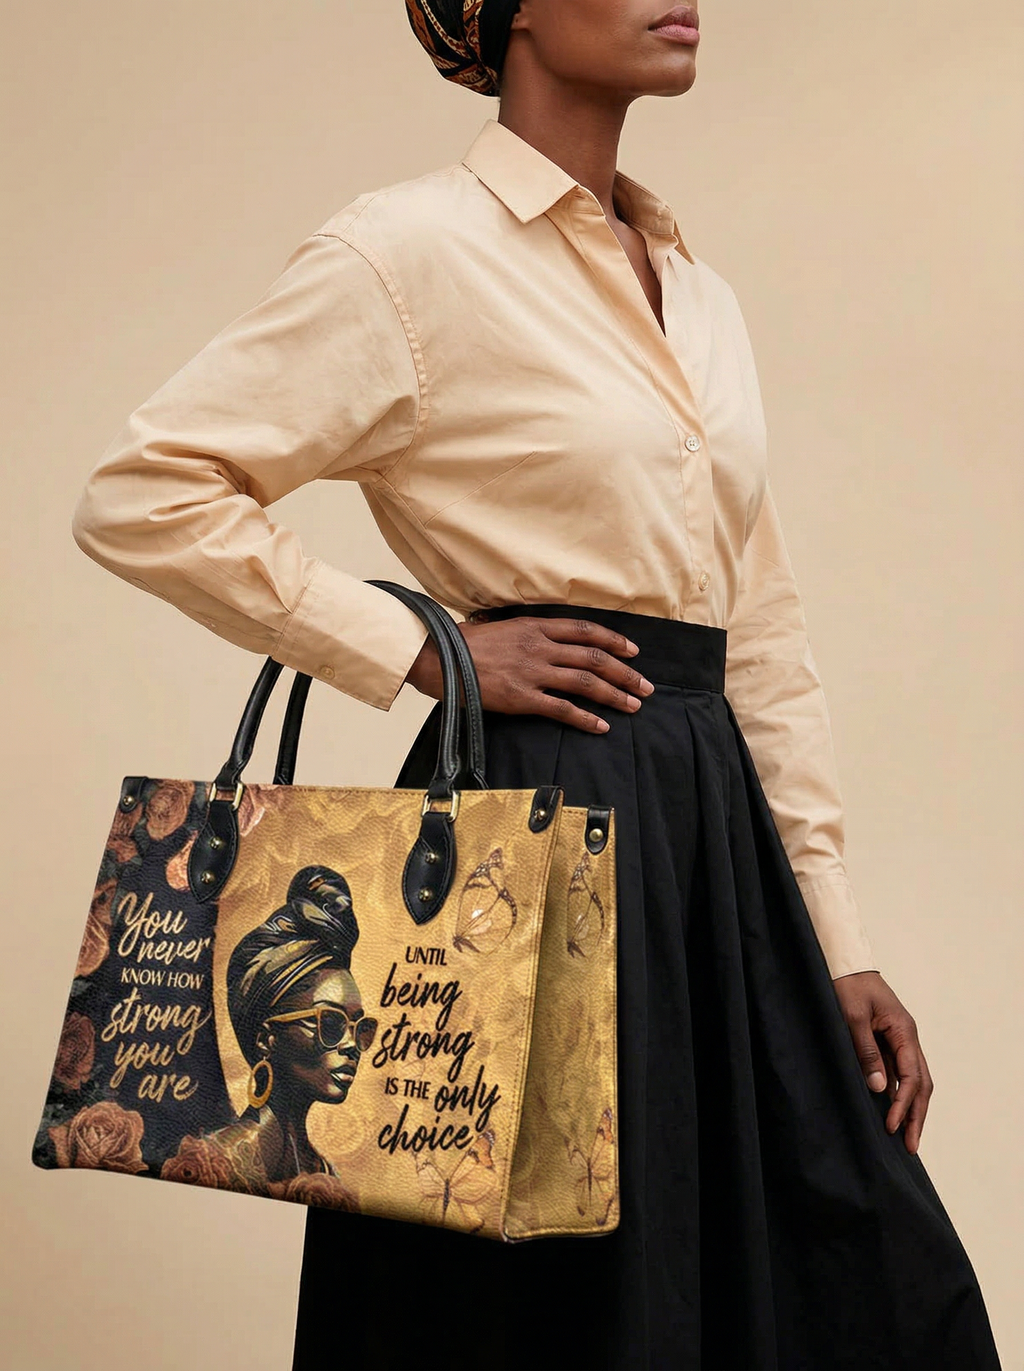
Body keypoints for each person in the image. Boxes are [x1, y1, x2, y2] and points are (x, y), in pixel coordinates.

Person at [69, 1, 1003, 1366]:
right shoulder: (408, 252)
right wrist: (426, 649)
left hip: (715, 839)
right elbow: (143, 494)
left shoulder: (699, 289)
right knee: (559, 1306)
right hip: (540, 815)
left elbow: (758, 628)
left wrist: (837, 936)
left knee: (847, 1273)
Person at [161, 866, 377, 1201]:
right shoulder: (212, 1164)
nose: (352, 1045)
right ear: (266, 1039)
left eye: (361, 1028)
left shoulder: (324, 1176)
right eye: (331, 1023)